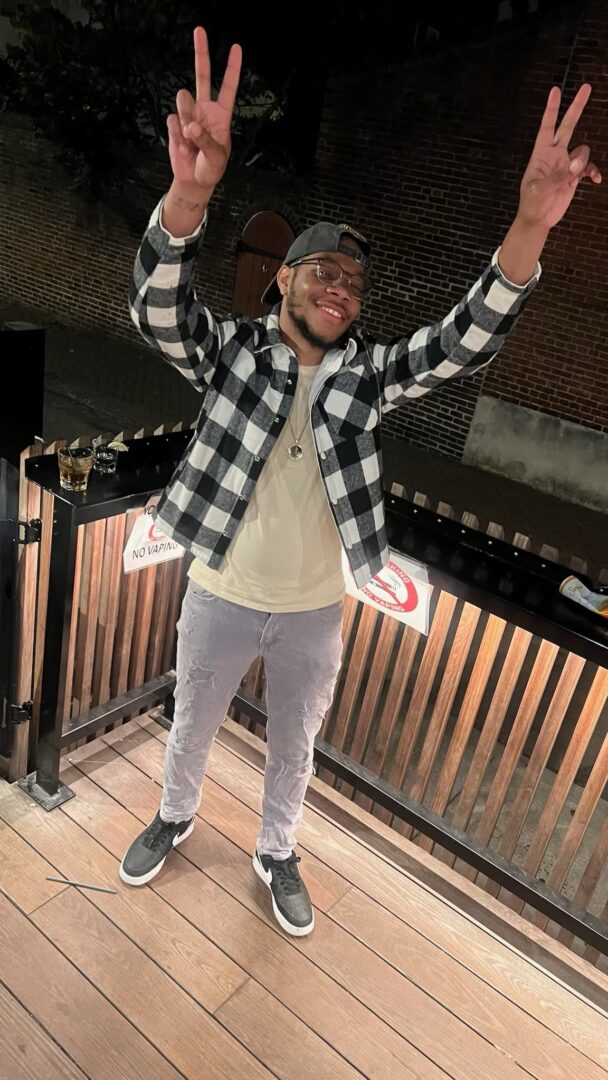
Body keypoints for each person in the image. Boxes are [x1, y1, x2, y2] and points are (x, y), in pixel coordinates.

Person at [119, 26, 601, 936]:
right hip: (219, 591)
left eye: (354, 282)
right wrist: (189, 197)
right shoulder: (232, 353)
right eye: (324, 273)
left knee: (295, 747)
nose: (342, 289)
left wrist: (530, 227)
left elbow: (460, 345)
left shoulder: (369, 376)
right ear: (284, 281)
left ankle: (276, 850)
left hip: (313, 609)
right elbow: (157, 313)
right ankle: (175, 815)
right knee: (190, 721)